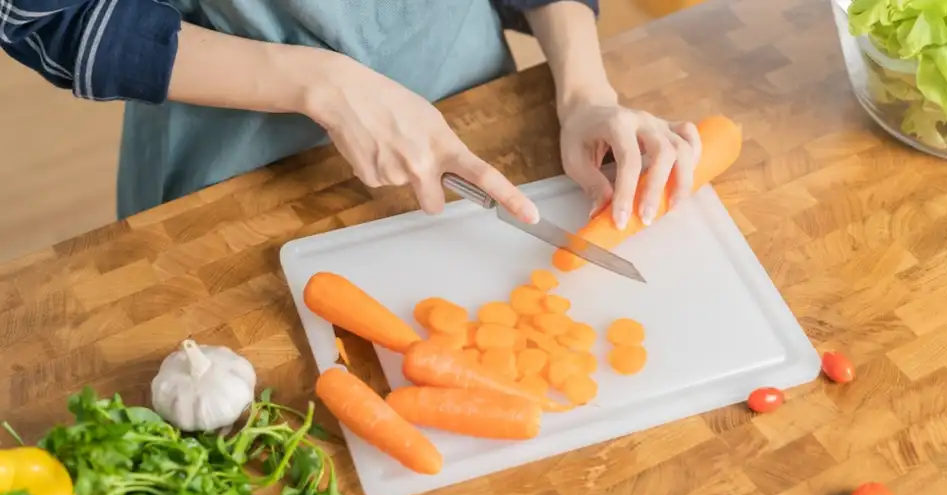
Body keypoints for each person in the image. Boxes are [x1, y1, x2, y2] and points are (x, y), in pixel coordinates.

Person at [1, 0, 700, 230]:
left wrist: (583, 90)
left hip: (473, 111)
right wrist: (324, 84)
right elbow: (48, 16)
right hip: (237, 159)